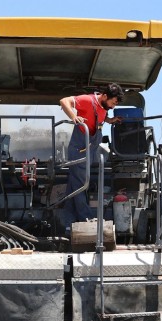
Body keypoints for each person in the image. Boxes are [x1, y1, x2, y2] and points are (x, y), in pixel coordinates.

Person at [58, 84, 124, 232]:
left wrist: (109, 120)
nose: (113, 106)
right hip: (79, 148)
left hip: (89, 148)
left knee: (74, 184)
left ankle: (68, 223)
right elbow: (64, 101)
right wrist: (74, 116)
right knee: (81, 184)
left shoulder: (103, 107)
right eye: (113, 103)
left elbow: (99, 116)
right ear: (105, 96)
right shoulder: (87, 100)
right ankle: (85, 218)